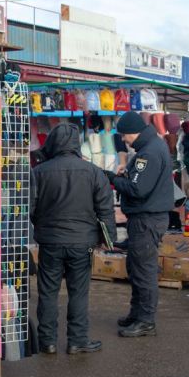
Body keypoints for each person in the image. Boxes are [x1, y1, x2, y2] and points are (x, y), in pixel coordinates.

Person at [30, 123, 115, 355]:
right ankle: (77, 340)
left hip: (50, 241)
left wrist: (41, 227)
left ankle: (47, 341)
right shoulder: (93, 172)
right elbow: (105, 209)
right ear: (77, 144)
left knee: (47, 292)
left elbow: (29, 208)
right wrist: (109, 239)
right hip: (82, 242)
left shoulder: (38, 172)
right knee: (79, 291)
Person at [106, 112, 174, 338]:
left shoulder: (149, 153)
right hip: (146, 218)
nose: (124, 140)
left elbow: (137, 189)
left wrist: (113, 179)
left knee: (143, 271)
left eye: (125, 135)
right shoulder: (151, 147)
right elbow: (141, 181)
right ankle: (137, 314)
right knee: (136, 268)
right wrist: (127, 172)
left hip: (147, 220)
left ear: (133, 132)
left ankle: (145, 320)